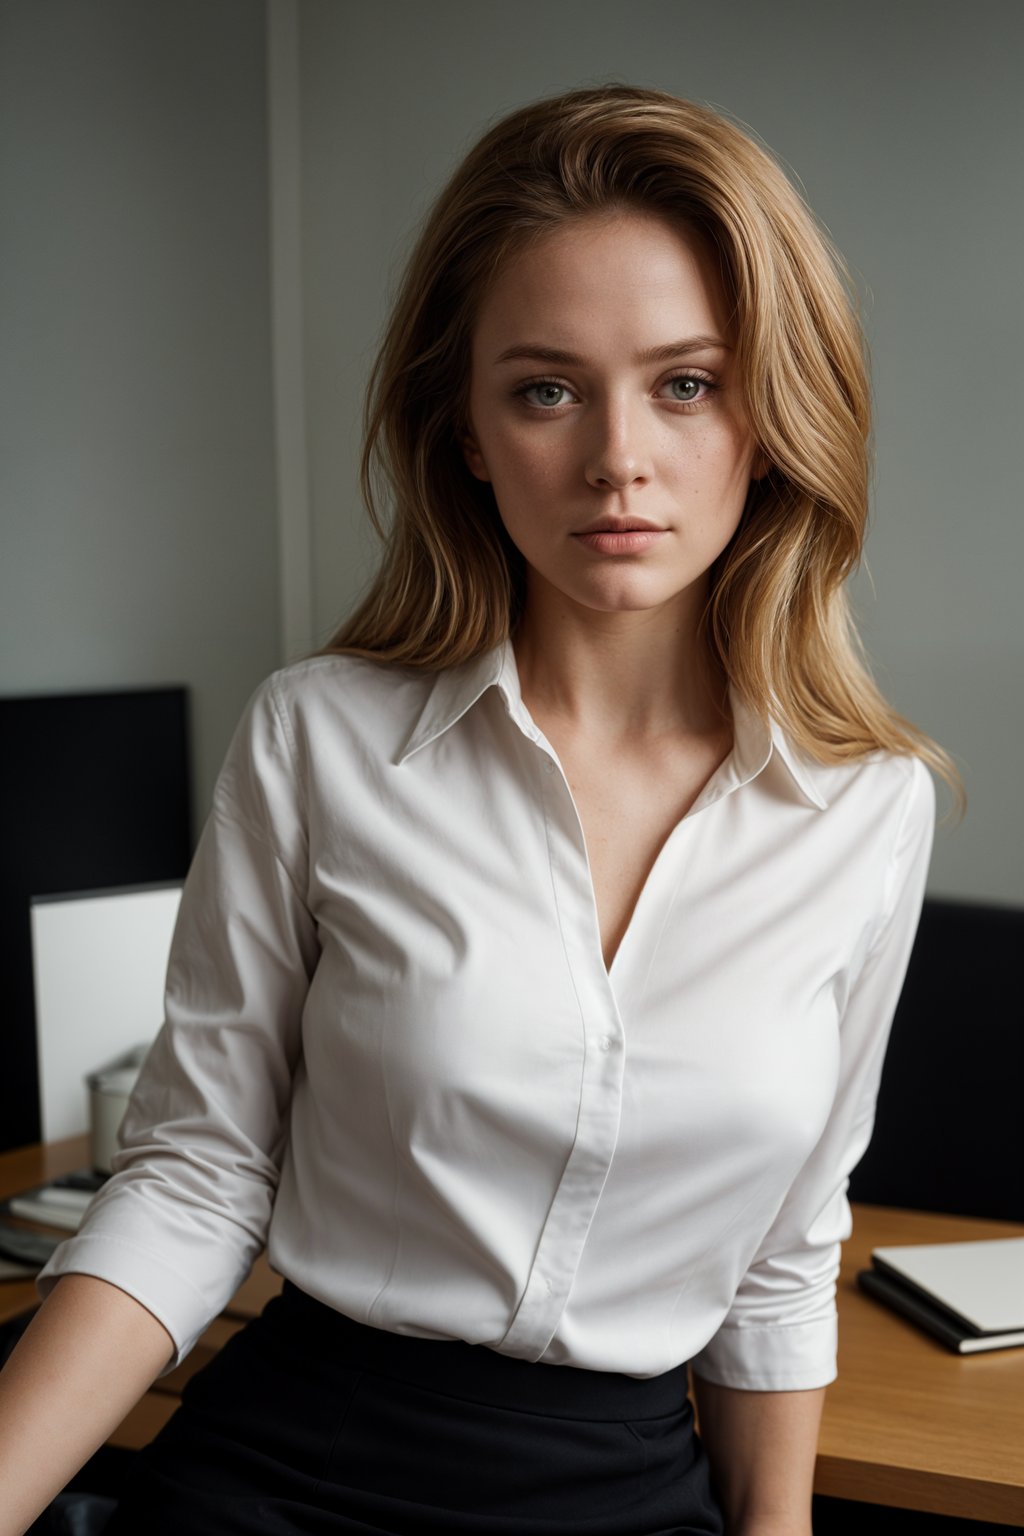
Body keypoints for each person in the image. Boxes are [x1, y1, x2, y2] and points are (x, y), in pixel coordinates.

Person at [0, 86, 958, 1536]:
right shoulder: (319, 737)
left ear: (769, 419)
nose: (618, 459)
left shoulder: (866, 809)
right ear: (465, 428)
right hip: (287, 1477)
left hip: (629, 1493)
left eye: (687, 383)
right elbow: (196, 1181)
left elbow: (780, 1258)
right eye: (547, 388)